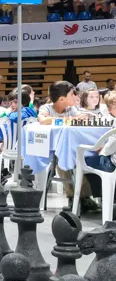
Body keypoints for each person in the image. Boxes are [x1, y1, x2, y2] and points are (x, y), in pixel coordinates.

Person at [38, 80, 99, 213]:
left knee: (85, 156)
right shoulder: (46, 108)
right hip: (52, 149)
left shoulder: (71, 109)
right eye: (72, 95)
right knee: (63, 158)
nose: (75, 97)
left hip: (73, 146)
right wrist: (67, 120)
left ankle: (84, 196)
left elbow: (79, 117)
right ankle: (73, 196)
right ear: (62, 99)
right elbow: (43, 120)